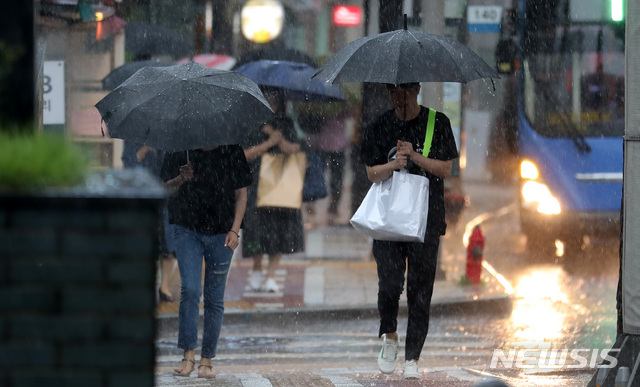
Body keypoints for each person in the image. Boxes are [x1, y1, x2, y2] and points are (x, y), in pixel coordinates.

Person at [360, 82, 459, 380]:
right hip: (389, 220)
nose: (397, 96)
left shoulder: (437, 122)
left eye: (402, 91)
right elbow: (371, 173)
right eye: (392, 91)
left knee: (420, 289)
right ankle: (389, 336)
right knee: (389, 285)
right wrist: (394, 164)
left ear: (416, 89)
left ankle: (412, 356)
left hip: (426, 221)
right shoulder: (379, 124)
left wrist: (415, 157)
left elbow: (445, 169)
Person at [160, 145, 252, 378]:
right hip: (187, 229)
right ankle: (188, 354)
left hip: (222, 232)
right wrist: (182, 178)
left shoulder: (231, 149)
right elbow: (163, 188)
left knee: (214, 298)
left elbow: (241, 193)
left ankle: (206, 360)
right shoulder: (181, 147)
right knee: (190, 289)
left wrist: (235, 229)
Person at [242, 87, 305, 293]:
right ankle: (257, 269)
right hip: (255, 183)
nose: (271, 102)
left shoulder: (286, 123)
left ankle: (270, 275)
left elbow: (297, 148)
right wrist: (268, 142)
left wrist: (280, 139)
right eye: (267, 97)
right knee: (256, 229)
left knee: (281, 229)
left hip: (282, 184)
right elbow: (244, 155)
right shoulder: (250, 124)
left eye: (274, 98)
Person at [122, 141, 177, 303]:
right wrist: (145, 148)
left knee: (168, 245)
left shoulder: (166, 137)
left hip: (166, 197)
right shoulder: (132, 137)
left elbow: (173, 166)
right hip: (144, 199)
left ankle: (164, 286)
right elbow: (129, 163)